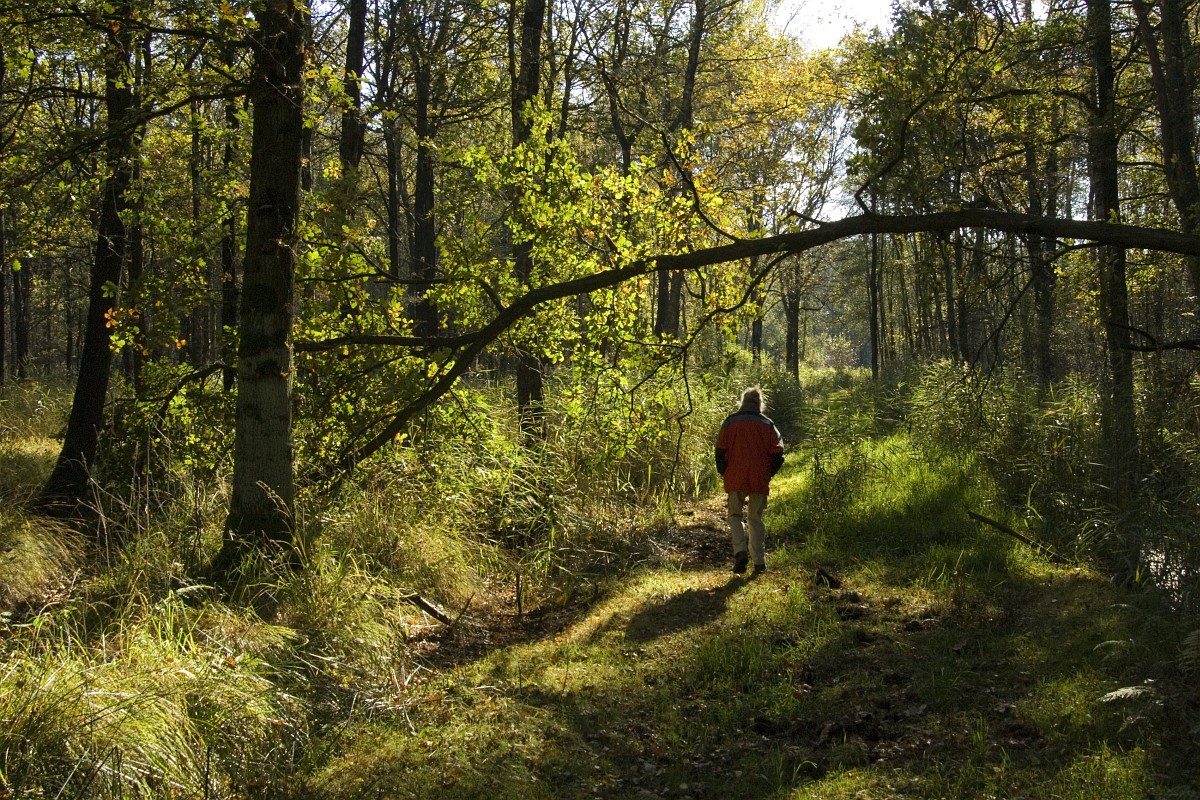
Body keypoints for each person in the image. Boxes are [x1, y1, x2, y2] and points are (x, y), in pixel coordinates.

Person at [715, 386, 784, 575]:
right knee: (755, 519)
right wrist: (768, 473)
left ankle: (740, 552)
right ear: (760, 404)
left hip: (735, 475)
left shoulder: (730, 422)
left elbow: (720, 450)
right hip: (759, 478)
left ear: (742, 402)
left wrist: (724, 472)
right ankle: (759, 562)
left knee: (734, 515)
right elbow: (779, 453)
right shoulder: (768, 424)